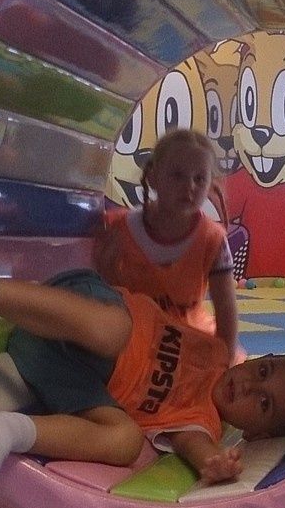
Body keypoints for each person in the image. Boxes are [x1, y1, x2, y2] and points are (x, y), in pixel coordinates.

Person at [0, 266, 285, 488]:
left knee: (126, 442)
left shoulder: (203, 424)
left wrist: (214, 464)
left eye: (263, 403)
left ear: (256, 434)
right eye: (263, 371)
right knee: (113, 331)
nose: (250, 385)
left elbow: (197, 449)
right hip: (81, 311)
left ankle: (6, 429)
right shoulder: (216, 350)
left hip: (58, 368)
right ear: (260, 357)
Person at [94, 128, 239, 359]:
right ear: (153, 178)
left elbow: (226, 308)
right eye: (177, 175)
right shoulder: (117, 228)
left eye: (199, 178)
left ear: (210, 185)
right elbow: (97, 291)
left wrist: (226, 359)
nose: (189, 186)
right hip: (132, 337)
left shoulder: (212, 238)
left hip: (188, 340)